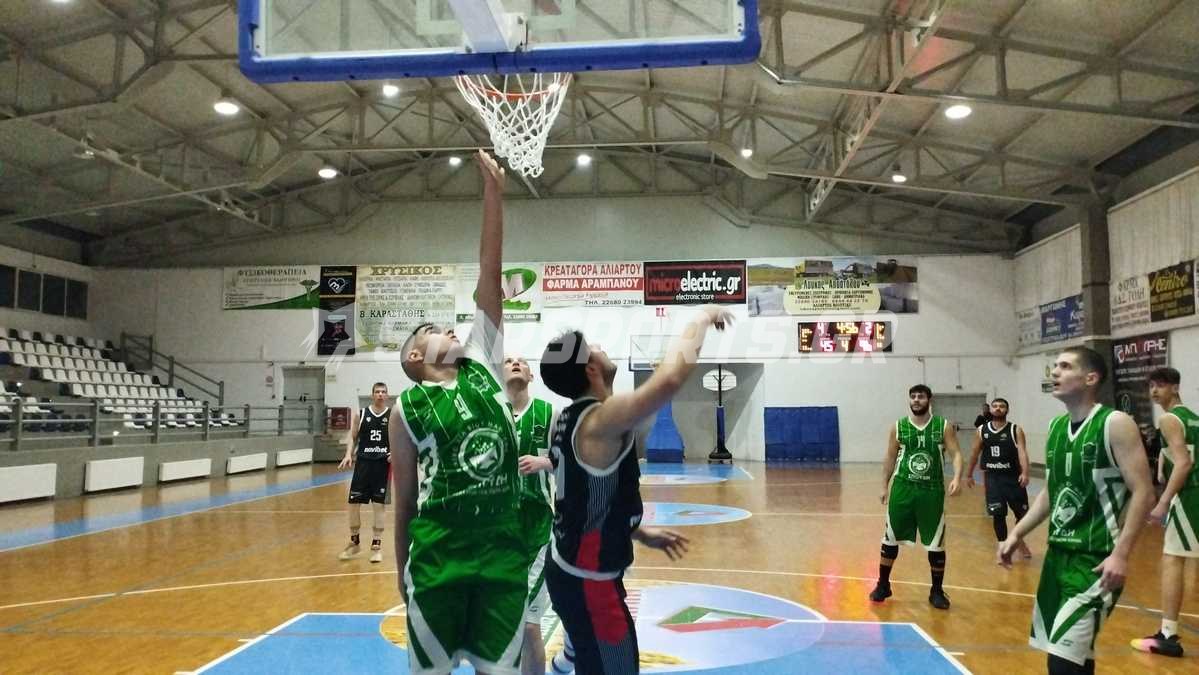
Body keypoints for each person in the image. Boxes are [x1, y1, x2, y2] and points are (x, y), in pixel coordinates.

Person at [535, 305, 731, 673]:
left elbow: (587, 497)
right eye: (593, 347)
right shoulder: (599, 420)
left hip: (570, 568)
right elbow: (669, 380)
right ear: (591, 369)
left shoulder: (571, 419)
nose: (601, 347)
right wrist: (702, 317)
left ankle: (569, 660)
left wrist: (637, 531)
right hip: (588, 582)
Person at [389, 150, 526, 675]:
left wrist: (494, 193)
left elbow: (490, 273)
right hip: (437, 560)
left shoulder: (484, 363)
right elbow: (404, 502)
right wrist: (401, 570)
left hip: (502, 556)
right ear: (414, 357)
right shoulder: (407, 407)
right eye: (432, 331)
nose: (449, 330)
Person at [1000, 347, 1154, 675]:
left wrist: (1121, 555)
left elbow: (1144, 491)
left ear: (1090, 378)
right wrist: (1017, 533)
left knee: (1061, 661)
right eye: (1055, 366)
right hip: (1058, 557)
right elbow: (1051, 494)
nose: (1055, 372)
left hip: (1095, 561)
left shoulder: (1115, 423)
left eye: (1065, 366)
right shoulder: (1057, 426)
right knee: (1074, 657)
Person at [870, 384, 963, 610]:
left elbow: (956, 453)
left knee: (936, 542)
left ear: (929, 400)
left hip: (931, 491)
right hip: (903, 489)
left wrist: (957, 477)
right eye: (913, 396)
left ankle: (936, 591)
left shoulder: (943, 426)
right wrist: (884, 486)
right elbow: (890, 457)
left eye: (921, 396)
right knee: (890, 538)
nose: (916, 400)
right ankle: (883, 584)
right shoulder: (898, 427)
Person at [1130, 367, 1196, 658]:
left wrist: (1163, 501)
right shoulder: (1192, 417)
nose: (1154, 391)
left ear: (1175, 387)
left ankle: (1168, 635)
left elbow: (1184, 463)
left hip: (1189, 494)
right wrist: (1161, 467)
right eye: (1151, 386)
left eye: (1161, 385)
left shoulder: (1169, 419)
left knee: (1173, 559)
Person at [504, 356, 556, 675]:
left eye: (521, 362)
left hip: (537, 528)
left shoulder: (549, 413)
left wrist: (544, 462)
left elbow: (569, 458)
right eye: (508, 361)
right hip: (498, 531)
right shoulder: (489, 415)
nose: (515, 364)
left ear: (531, 375)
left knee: (527, 620)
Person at [966, 397, 1032, 564]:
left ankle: (1019, 539)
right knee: (998, 514)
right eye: (995, 406)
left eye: (1001, 406)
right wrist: (968, 474)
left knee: (1023, 515)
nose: (998, 408)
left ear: (1007, 410)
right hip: (993, 479)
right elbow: (974, 453)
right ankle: (1002, 549)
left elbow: (1022, 452)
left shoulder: (1015, 430)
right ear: (990, 410)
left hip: (1013, 478)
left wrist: (1025, 472)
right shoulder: (982, 430)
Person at [337, 382, 391, 563]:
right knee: (353, 503)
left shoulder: (392, 416)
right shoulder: (361, 414)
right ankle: (354, 542)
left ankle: (376, 546)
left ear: (387, 395)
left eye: (383, 392)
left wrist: (395, 452)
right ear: (372, 395)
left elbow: (399, 438)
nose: (380, 394)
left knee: (379, 505)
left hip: (382, 466)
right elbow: (353, 438)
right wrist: (348, 454)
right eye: (377, 391)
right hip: (363, 465)